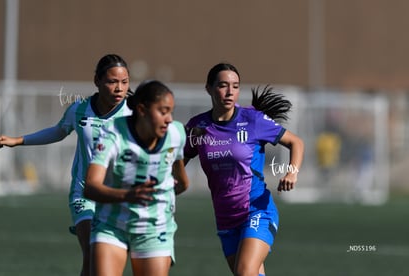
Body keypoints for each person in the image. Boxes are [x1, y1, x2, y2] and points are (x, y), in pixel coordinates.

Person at [0, 54, 132, 276]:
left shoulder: (135, 114)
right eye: (112, 81)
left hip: (117, 195)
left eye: (124, 82)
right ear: (97, 81)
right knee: (92, 252)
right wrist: (18, 140)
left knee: (107, 263)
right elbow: (59, 131)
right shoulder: (79, 109)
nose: (119, 88)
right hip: (84, 193)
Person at [183, 63, 304, 276]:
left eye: (235, 86)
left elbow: (296, 142)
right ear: (209, 89)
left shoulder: (252, 120)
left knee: (244, 272)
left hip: (257, 210)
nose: (230, 92)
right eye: (223, 85)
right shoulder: (197, 127)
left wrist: (292, 172)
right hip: (225, 217)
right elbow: (177, 161)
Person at [84, 80, 189, 276]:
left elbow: (182, 182)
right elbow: (90, 187)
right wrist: (128, 195)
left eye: (171, 112)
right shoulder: (113, 133)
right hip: (112, 225)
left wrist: (166, 193)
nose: (169, 119)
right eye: (163, 111)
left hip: (154, 227)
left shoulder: (176, 133)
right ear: (142, 110)